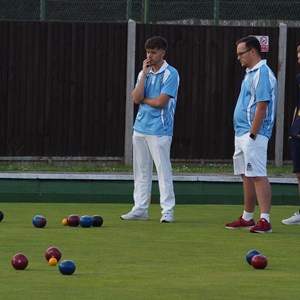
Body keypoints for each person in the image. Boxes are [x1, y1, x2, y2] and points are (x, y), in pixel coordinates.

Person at [120, 36, 180, 223]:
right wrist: (144, 76)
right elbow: (136, 98)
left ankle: (167, 211)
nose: (150, 56)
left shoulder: (171, 73)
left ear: (163, 52)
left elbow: (161, 102)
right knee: (141, 171)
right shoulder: (143, 73)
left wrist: (145, 100)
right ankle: (140, 209)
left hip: (160, 129)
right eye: (147, 52)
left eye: (154, 52)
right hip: (140, 128)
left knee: (163, 170)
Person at [225, 36, 277, 233]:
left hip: (253, 133)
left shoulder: (262, 73)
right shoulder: (249, 73)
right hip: (242, 133)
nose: (238, 57)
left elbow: (262, 106)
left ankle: (265, 220)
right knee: (246, 174)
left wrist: (253, 135)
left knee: (257, 174)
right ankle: (248, 217)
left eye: (241, 53)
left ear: (253, 51)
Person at [282, 45, 300, 225]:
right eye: (298, 53)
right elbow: (297, 105)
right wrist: (292, 129)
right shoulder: (298, 79)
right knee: (299, 174)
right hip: (297, 134)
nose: (299, 57)